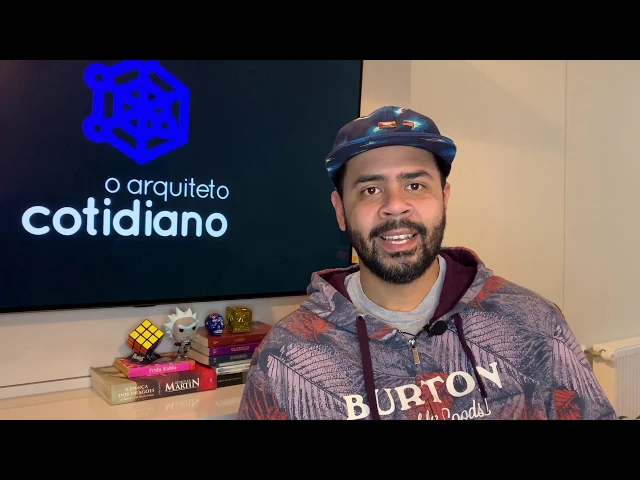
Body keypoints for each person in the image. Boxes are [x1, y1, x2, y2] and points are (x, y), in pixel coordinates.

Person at [236, 105, 617, 420]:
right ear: (340, 210)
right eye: (371, 189)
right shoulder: (286, 358)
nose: (395, 205)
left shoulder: (533, 322)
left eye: (415, 185)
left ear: (444, 198)